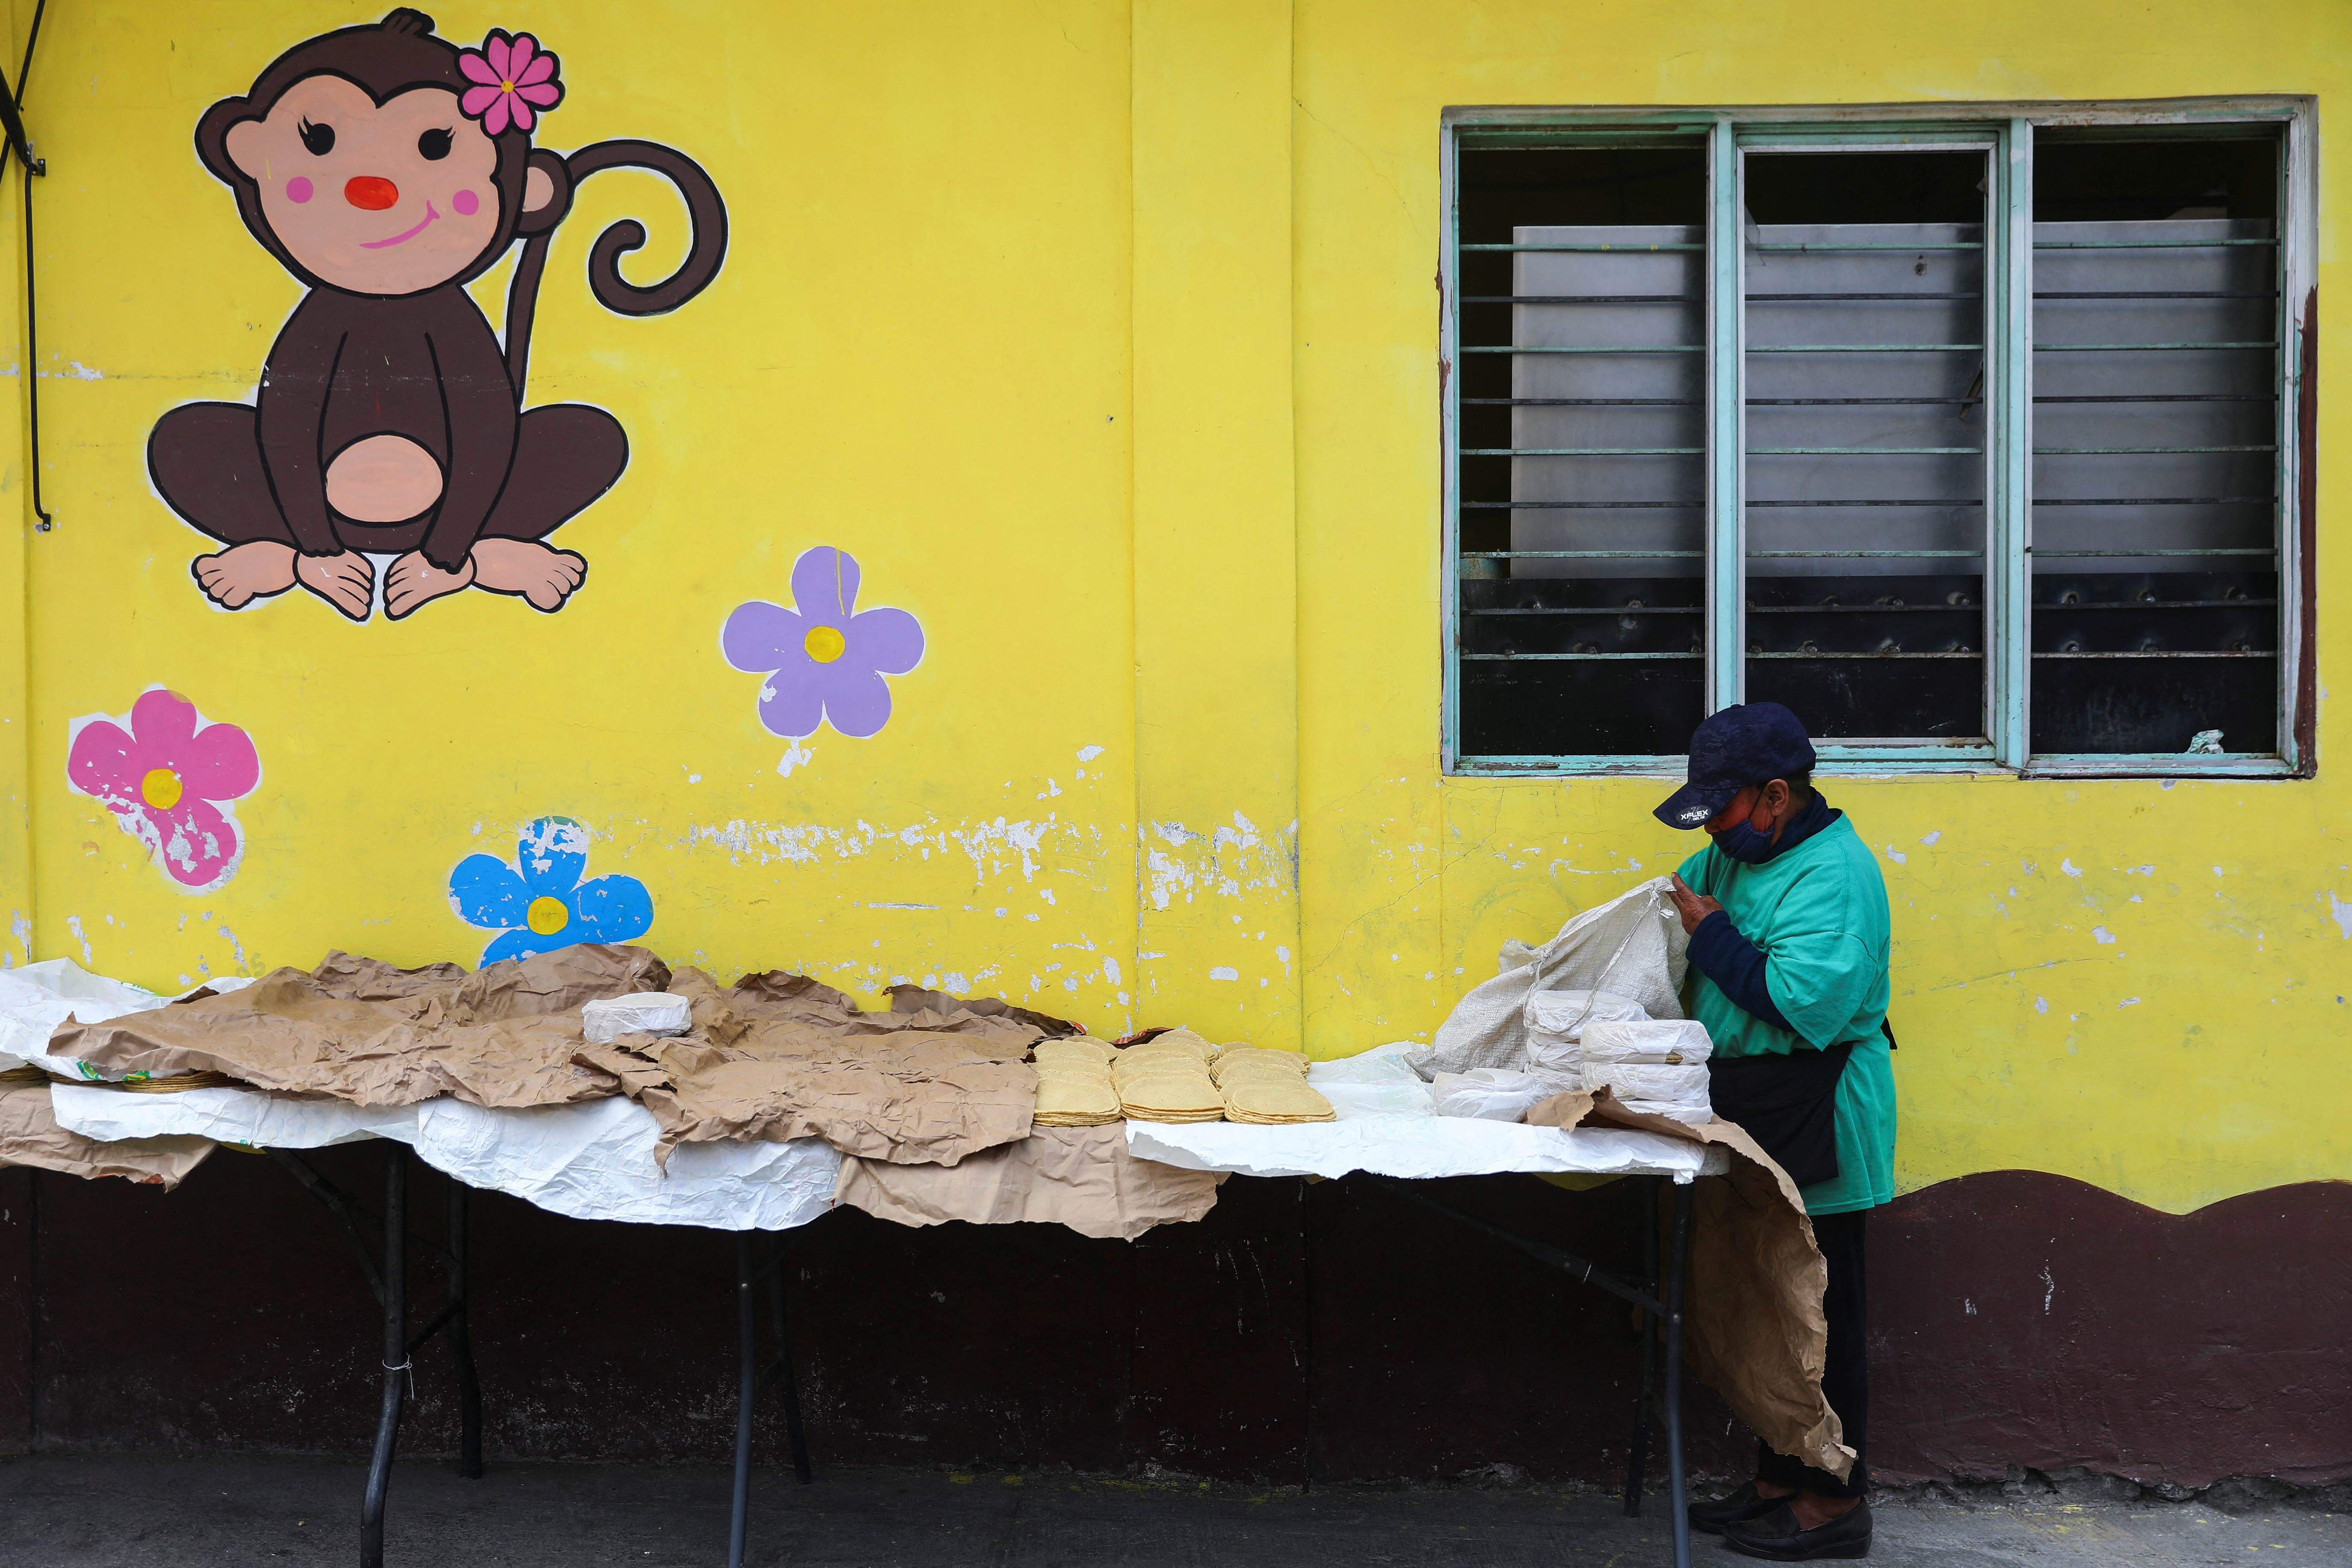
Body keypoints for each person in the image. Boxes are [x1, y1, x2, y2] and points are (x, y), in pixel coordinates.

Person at [1654, 701, 1894, 1562]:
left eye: (1722, 809)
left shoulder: (1835, 874)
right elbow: (1668, 911)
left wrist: (1711, 934)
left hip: (1817, 1108)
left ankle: (1833, 1503)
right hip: (1752, 1104)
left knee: (1818, 1312)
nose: (1711, 830)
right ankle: (1773, 1481)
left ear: (1775, 795)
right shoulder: (1731, 852)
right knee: (1766, 1306)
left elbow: (1804, 1003)